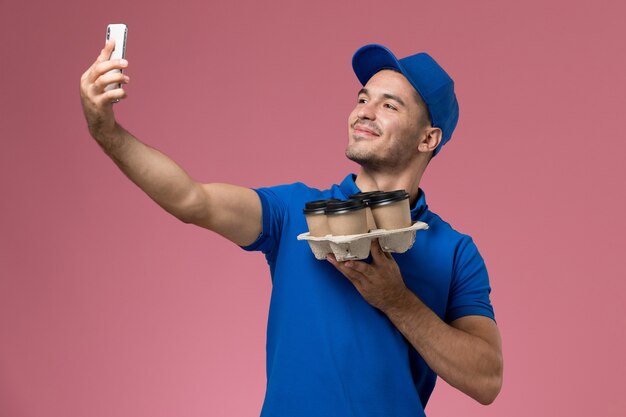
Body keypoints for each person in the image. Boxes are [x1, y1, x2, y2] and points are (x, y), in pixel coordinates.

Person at [80, 41, 503, 416]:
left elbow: (485, 381)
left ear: (427, 139)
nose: (363, 112)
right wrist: (107, 131)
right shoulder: (292, 211)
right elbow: (191, 199)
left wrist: (396, 300)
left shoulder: (454, 252)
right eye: (362, 97)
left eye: (389, 105)